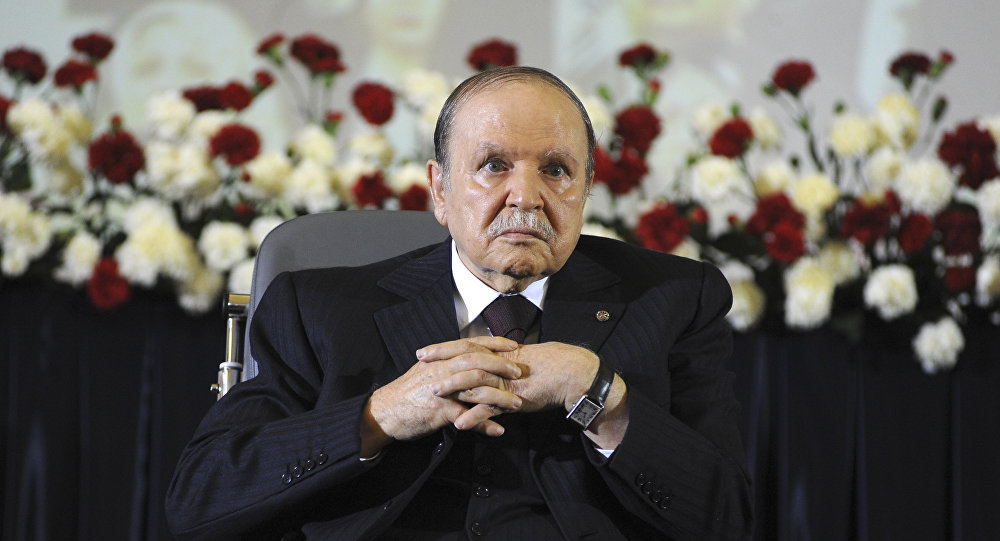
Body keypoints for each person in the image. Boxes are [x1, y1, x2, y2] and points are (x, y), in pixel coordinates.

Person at [166, 66, 752, 540]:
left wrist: (597, 392)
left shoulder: (672, 300)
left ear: (585, 191)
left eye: (555, 170)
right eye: (494, 166)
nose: (525, 196)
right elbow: (201, 500)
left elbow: (729, 520)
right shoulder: (320, 308)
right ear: (440, 189)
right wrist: (382, 415)